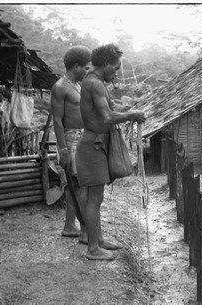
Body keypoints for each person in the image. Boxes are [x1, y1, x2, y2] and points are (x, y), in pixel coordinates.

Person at [76, 43, 146, 260]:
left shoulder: (96, 83)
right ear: (105, 63)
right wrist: (132, 114)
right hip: (93, 145)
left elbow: (107, 113)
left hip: (99, 143)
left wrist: (126, 112)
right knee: (94, 198)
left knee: (98, 197)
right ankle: (92, 249)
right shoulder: (94, 84)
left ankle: (98, 240)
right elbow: (106, 116)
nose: (116, 72)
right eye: (115, 68)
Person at [51, 45, 91, 239]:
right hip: (70, 139)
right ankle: (85, 231)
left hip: (81, 138)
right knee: (81, 185)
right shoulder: (60, 87)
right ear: (76, 66)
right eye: (86, 68)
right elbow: (57, 120)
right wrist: (63, 149)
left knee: (75, 185)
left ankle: (69, 226)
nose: (87, 71)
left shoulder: (77, 85)